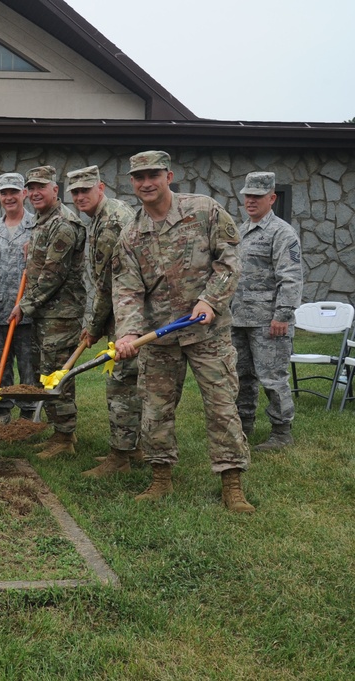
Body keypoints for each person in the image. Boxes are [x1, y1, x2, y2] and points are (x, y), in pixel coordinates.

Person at [113, 150, 254, 513]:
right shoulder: (130, 234)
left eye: (153, 175)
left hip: (208, 332)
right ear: (132, 182)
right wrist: (128, 333)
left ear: (168, 176)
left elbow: (229, 261)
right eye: (139, 177)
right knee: (156, 409)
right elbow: (127, 289)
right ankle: (160, 478)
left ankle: (232, 484)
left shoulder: (204, 210)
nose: (146, 183)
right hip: (160, 336)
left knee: (222, 406)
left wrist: (210, 300)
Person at [66, 165, 143, 477]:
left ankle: (120, 458)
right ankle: (135, 447)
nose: (81, 196)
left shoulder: (110, 222)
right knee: (131, 383)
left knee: (121, 385)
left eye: (86, 190)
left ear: (101, 187)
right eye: (75, 192)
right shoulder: (105, 215)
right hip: (127, 311)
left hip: (128, 316)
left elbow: (106, 282)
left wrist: (93, 325)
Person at [9, 166, 86, 459]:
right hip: (46, 314)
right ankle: (61, 431)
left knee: (57, 376)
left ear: (56, 189)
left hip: (60, 315)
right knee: (47, 374)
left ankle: (64, 439)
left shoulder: (64, 224)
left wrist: (24, 306)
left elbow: (53, 276)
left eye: (42, 186)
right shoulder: (43, 222)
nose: (35, 192)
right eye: (31, 187)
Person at [231, 171, 303, 451]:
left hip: (268, 322)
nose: (251, 201)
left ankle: (282, 433)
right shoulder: (241, 230)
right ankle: (243, 427)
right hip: (239, 319)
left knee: (273, 378)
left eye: (257, 196)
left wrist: (282, 316)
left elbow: (291, 277)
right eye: (248, 195)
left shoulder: (282, 233)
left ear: (272, 198)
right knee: (241, 377)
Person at [0, 173, 37, 423]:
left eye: (14, 192)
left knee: (28, 365)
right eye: (4, 193)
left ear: (24, 194)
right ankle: (3, 411)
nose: (9, 197)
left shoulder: (36, 227)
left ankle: (28, 414)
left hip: (26, 311)